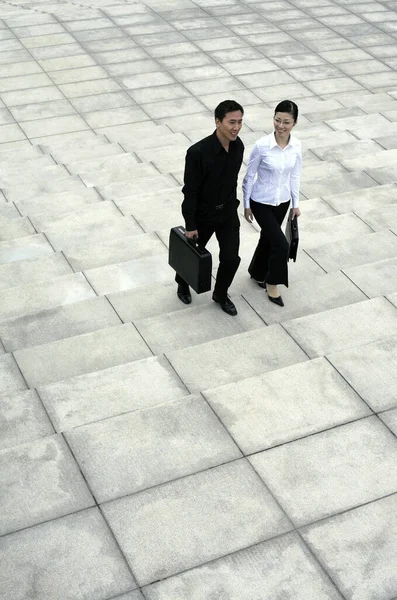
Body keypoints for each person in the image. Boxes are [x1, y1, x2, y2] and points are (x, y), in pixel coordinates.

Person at [175, 99, 245, 316]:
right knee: (192, 257)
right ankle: (182, 282)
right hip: (203, 216)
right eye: (231, 122)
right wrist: (190, 224)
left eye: (240, 122)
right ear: (217, 122)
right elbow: (190, 191)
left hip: (227, 214)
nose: (236, 128)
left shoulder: (238, 146)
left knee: (232, 258)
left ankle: (221, 294)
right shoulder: (197, 152)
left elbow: (232, 181)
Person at [242, 99, 302, 307]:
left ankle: (256, 272)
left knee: (268, 238)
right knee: (280, 243)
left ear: (294, 123)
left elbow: (295, 175)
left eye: (286, 121)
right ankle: (272, 282)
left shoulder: (296, 146)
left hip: (283, 201)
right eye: (277, 120)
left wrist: (295, 203)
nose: (280, 125)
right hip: (261, 201)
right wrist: (246, 204)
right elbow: (249, 176)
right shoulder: (262, 146)